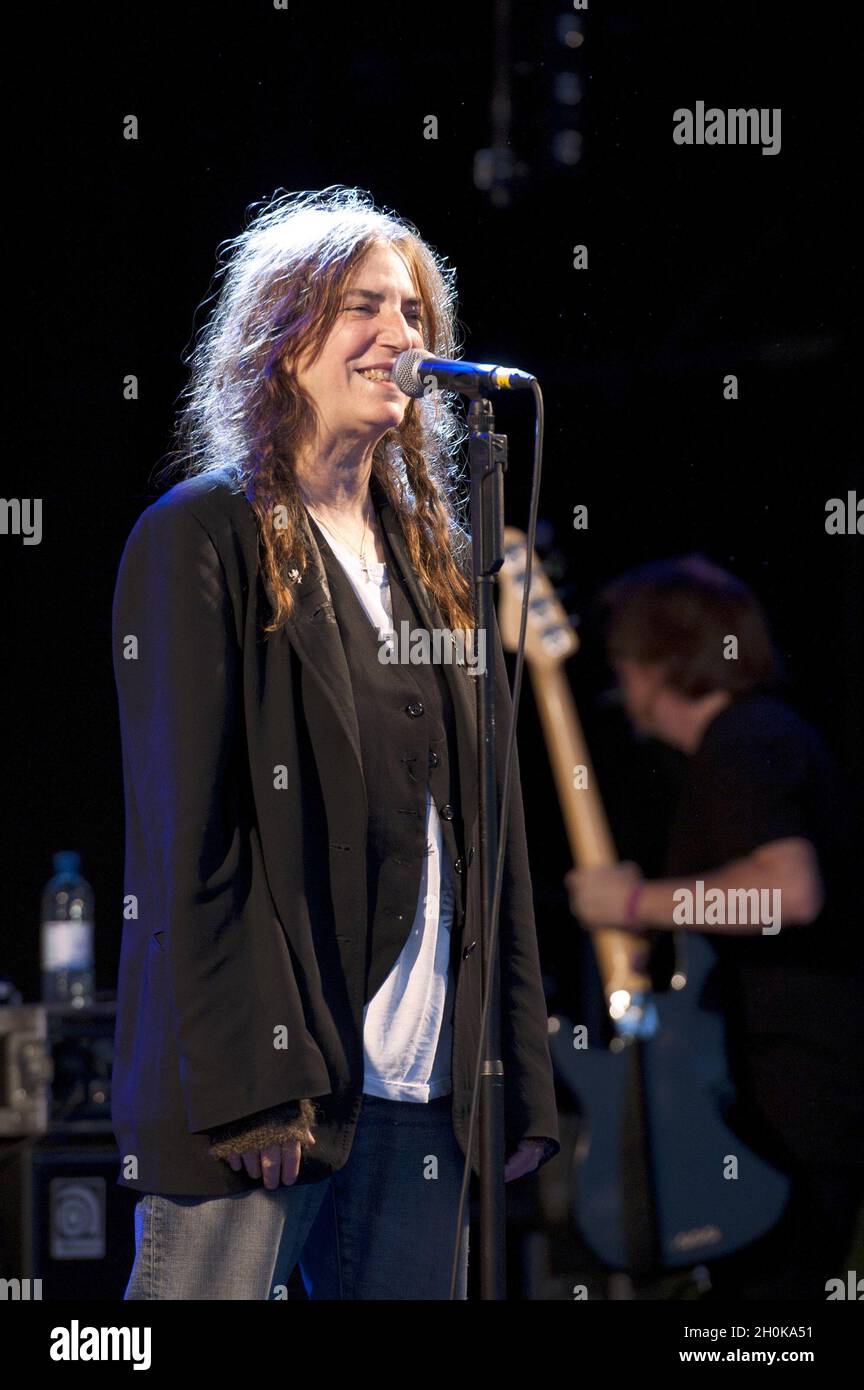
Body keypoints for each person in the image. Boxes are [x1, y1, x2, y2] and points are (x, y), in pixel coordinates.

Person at [111, 187, 559, 1301]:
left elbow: (486, 834)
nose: (401, 338)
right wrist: (254, 1079)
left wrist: (510, 1068)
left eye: (413, 314)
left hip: (418, 1086)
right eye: (364, 307)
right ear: (283, 334)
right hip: (270, 1084)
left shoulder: (429, 563)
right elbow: (193, 830)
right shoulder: (201, 537)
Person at [565, 555, 864, 1300]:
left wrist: (631, 906)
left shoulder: (744, 741)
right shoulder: (760, 740)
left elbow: (784, 896)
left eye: (626, 655)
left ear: (656, 660)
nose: (620, 676)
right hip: (792, 1105)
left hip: (798, 1112)